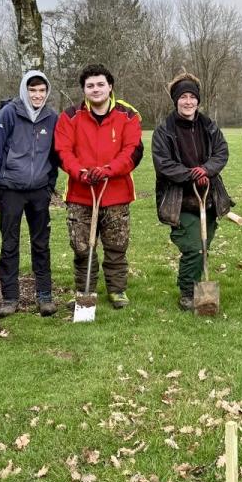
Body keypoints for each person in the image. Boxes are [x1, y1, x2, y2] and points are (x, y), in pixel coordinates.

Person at [55, 64, 144, 309]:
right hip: (80, 194)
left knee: (116, 245)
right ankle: (86, 291)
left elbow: (132, 151)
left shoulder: (128, 115)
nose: (96, 90)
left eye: (100, 84)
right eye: (90, 85)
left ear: (110, 86)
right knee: (82, 247)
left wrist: (108, 170)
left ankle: (117, 290)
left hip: (116, 193)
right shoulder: (70, 116)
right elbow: (62, 151)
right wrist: (80, 173)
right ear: (84, 89)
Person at [151, 73, 234, 310]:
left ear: (198, 100)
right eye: (183, 97)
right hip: (180, 201)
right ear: (176, 100)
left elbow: (221, 152)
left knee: (203, 245)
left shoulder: (208, 125)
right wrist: (191, 175)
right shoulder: (164, 131)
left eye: (192, 97)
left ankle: (196, 284)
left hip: (208, 198)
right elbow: (164, 164)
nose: (188, 102)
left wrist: (206, 170)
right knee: (194, 246)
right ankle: (188, 292)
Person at [0, 70, 59, 317]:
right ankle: (10, 297)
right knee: (9, 244)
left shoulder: (52, 118)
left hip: (39, 191)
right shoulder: (8, 114)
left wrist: (49, 185)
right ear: (24, 91)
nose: (37, 95)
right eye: (32, 90)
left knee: (41, 244)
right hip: (12, 190)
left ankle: (45, 295)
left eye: (41, 90)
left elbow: (55, 155)